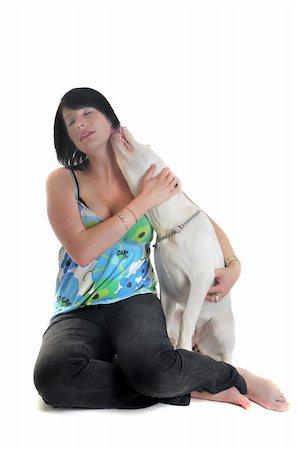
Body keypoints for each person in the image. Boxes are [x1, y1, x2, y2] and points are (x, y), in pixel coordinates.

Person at [33, 87, 289, 412]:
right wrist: (145, 201)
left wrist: (234, 264)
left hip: (136, 301)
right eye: (70, 121)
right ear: (67, 136)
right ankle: (188, 381)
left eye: (87, 113)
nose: (80, 124)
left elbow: (195, 216)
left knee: (154, 371)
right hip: (77, 309)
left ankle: (231, 377)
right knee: (53, 378)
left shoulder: (143, 174)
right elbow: (83, 250)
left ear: (110, 120)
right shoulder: (63, 181)